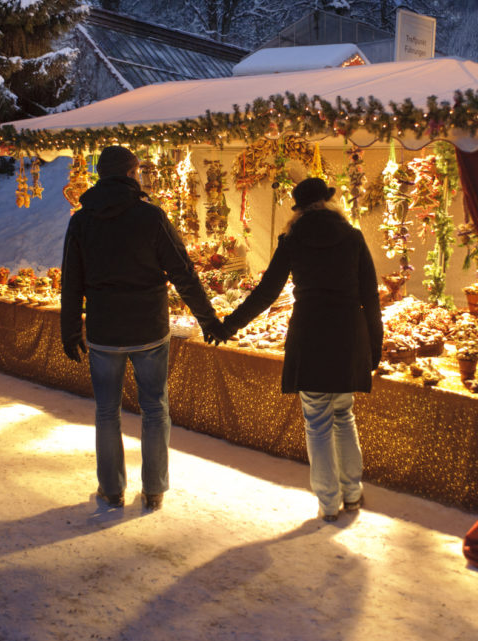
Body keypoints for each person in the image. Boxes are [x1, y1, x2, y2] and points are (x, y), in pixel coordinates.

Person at [60, 145, 227, 511]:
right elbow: (183, 271)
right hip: (149, 328)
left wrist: (70, 329)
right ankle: (154, 489)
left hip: (105, 331)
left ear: (101, 176)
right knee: (154, 408)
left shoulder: (82, 220)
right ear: (132, 173)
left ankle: (113, 489)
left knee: (107, 411)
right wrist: (208, 319)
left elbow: (71, 280)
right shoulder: (151, 217)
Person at [222, 177, 383, 522]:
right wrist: (375, 344)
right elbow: (370, 295)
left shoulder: (292, 240)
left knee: (318, 423)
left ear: (298, 209)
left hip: (311, 333)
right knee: (344, 414)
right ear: (328, 202)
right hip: (348, 335)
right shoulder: (352, 237)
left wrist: (229, 325)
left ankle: (328, 503)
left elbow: (266, 293)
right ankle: (352, 494)